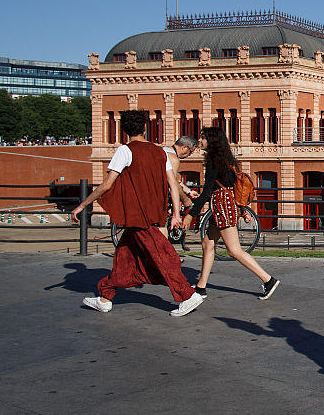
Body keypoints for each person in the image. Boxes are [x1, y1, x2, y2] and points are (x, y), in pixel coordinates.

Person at [70, 110, 203, 317]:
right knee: (124, 256)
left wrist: (82, 205)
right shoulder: (160, 152)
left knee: (162, 257)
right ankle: (105, 297)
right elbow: (172, 183)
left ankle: (187, 295)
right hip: (152, 213)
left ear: (124, 130)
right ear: (144, 128)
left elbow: (107, 185)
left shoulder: (125, 151)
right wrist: (176, 213)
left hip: (137, 215)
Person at [183, 127, 277, 300]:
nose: (200, 141)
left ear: (211, 141)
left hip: (222, 208)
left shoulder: (214, 161)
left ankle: (268, 279)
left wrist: (191, 215)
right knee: (207, 244)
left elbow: (206, 192)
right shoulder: (226, 160)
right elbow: (235, 189)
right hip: (223, 207)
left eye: (203, 138)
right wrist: (241, 210)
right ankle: (201, 286)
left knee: (234, 251)